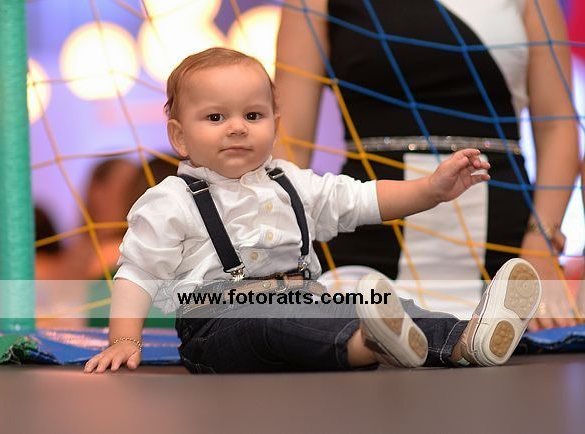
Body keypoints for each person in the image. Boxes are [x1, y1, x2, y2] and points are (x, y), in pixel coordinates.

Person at [84, 48, 542, 374]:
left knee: (371, 302)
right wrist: (124, 338)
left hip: (307, 298)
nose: (238, 128)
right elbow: (138, 273)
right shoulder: (171, 200)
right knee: (269, 324)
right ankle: (371, 343)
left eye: (253, 116)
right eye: (216, 118)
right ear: (180, 137)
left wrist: (431, 190)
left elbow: (363, 199)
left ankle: (465, 340)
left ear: (274, 124)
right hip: (218, 327)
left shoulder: (291, 182)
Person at [274, 0, 580, 330]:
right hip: (367, 252)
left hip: (505, 258)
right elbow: (290, 144)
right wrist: (279, 248)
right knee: (346, 334)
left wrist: (540, 250)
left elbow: (557, 127)